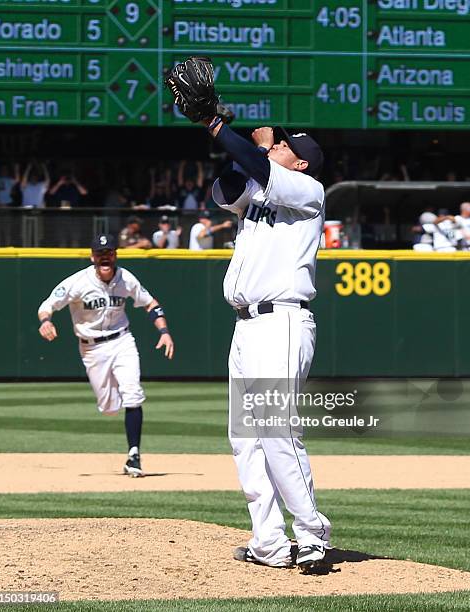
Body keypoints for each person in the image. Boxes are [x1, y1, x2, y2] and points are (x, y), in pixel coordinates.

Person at [206, 118, 331, 571]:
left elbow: (254, 163)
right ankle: (269, 542)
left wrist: (218, 126)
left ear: (299, 162)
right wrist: (224, 136)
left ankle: (313, 534)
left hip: (283, 322)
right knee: (245, 438)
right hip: (246, 326)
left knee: (278, 431)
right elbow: (224, 185)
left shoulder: (309, 193)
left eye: (281, 145)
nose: (273, 144)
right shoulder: (261, 190)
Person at [37, 234, 174, 477]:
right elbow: (46, 305)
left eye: (109, 253)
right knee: (109, 408)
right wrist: (46, 321)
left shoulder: (126, 278)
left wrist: (164, 331)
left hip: (122, 341)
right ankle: (118, 409)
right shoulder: (78, 282)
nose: (105, 258)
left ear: (115, 255)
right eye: (100, 254)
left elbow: (152, 304)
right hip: (91, 348)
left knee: (133, 394)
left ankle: (134, 455)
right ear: (92, 257)